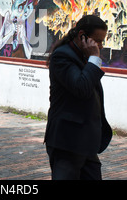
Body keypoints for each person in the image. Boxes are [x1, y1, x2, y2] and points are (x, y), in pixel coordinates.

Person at [44, 15, 112, 180]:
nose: (100, 47)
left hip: (85, 141)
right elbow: (81, 87)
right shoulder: (63, 56)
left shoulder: (83, 55)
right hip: (67, 142)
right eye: (97, 41)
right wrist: (94, 59)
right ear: (82, 35)